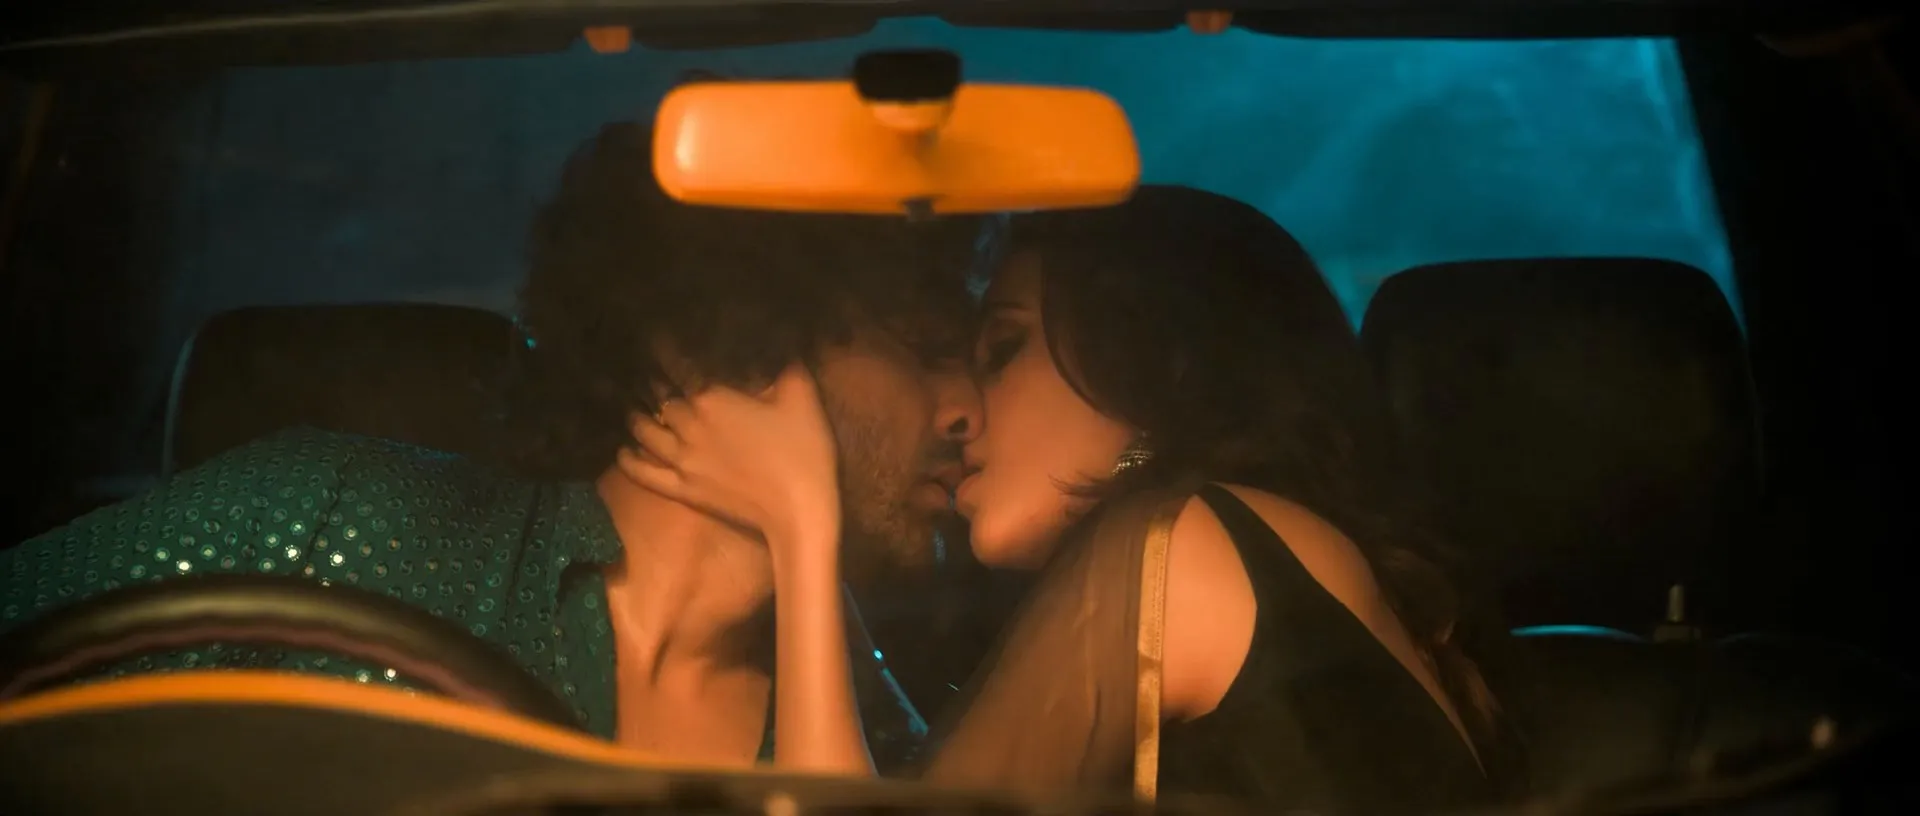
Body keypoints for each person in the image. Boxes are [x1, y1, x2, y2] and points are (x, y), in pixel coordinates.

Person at [0, 121, 987, 773]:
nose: (968, 412)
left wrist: (805, 538)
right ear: (739, 349)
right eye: (930, 349)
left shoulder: (848, 704)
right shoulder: (331, 520)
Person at [622, 185, 1518, 811]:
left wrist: (802, 526)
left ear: (1149, 366)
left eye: (1002, 349)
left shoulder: (1192, 544)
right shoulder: (1269, 560)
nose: (964, 413)